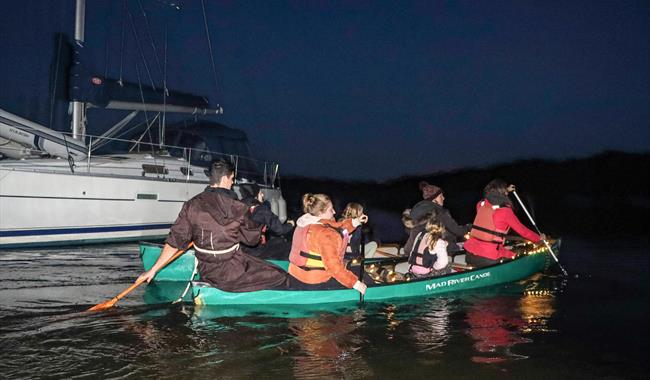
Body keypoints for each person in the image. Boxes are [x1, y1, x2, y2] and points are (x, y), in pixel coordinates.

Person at [137, 159, 288, 292]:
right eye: (232, 178)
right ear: (224, 178)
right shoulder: (238, 208)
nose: (232, 183)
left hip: (206, 270)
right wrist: (258, 220)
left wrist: (153, 270)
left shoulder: (192, 205)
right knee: (278, 274)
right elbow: (251, 240)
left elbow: (174, 241)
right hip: (232, 273)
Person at [287, 193, 370, 295]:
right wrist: (355, 283)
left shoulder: (305, 223)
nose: (334, 212)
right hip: (314, 280)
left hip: (296, 275)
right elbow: (333, 267)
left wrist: (355, 222)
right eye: (331, 210)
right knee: (360, 273)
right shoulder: (325, 234)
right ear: (321, 212)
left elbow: (338, 229)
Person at [464, 179, 545, 268]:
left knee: (508, 252)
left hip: (469, 255)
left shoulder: (480, 205)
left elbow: (490, 199)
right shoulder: (505, 211)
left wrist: (505, 190)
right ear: (502, 194)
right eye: (505, 192)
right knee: (517, 255)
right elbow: (523, 231)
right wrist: (539, 238)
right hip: (489, 259)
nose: (507, 194)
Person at [406, 181, 470, 253]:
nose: (443, 198)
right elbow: (457, 231)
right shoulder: (439, 211)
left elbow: (409, 231)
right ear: (434, 198)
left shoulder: (415, 209)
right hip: (431, 251)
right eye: (441, 196)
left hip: (412, 249)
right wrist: (469, 227)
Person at [238, 183, 295, 260]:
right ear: (255, 195)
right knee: (288, 246)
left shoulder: (238, 208)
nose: (262, 195)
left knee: (276, 241)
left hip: (241, 249)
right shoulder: (261, 209)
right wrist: (290, 225)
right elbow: (279, 229)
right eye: (260, 193)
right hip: (256, 251)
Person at [404, 212, 451, 277]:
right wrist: (434, 267)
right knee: (447, 266)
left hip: (413, 269)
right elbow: (443, 262)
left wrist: (443, 244)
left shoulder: (420, 235)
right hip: (426, 273)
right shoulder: (439, 242)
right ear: (442, 229)